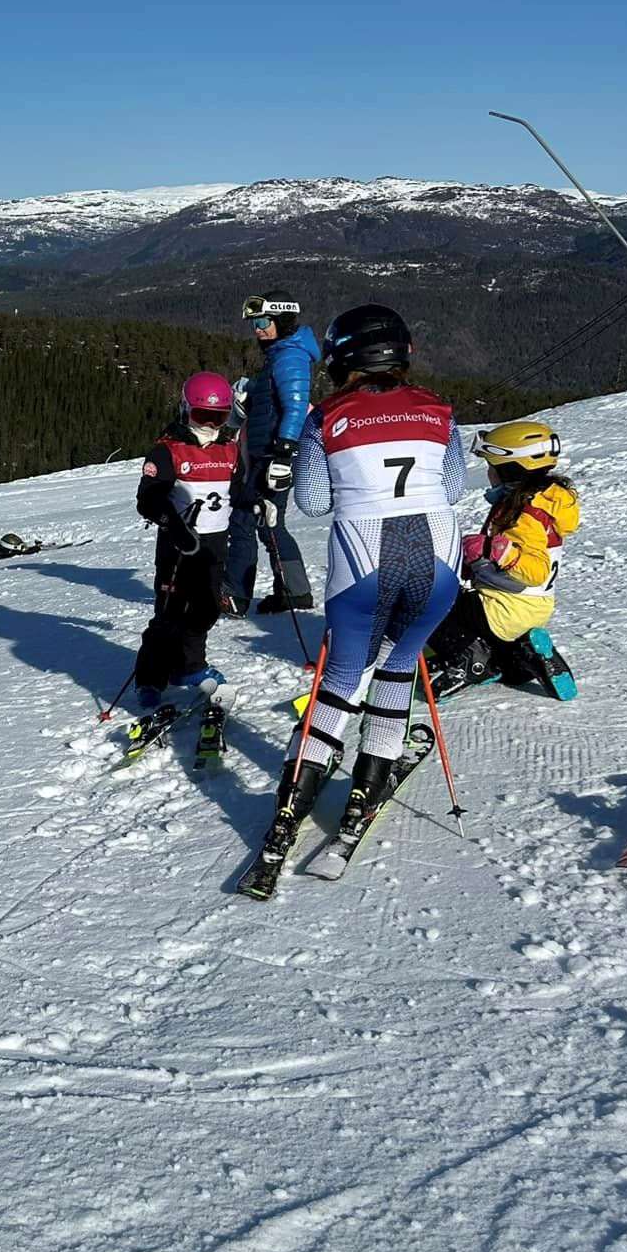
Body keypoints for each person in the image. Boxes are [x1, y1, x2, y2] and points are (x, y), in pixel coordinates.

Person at [249, 304, 468, 886]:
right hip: (439, 563)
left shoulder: (326, 418)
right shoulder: (439, 410)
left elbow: (314, 502)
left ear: (340, 359)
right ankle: (369, 786)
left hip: (363, 563)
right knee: (398, 670)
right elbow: (452, 487)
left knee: (341, 682)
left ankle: (290, 808)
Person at [423, 420, 580, 699]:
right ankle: (525, 658)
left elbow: (535, 571)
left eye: (491, 466)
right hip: (531, 608)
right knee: (506, 669)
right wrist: (477, 564)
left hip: (503, 608)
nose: (488, 473)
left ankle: (471, 662)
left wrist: (494, 550)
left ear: (510, 469)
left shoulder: (525, 514)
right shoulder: (541, 503)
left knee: (430, 600)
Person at [130, 372, 242, 713]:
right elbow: (149, 499)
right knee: (169, 614)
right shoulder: (168, 450)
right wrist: (176, 528)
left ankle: (190, 666)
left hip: (214, 544)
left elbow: (237, 490)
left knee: (207, 608)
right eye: (202, 415)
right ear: (185, 410)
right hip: (178, 547)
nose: (209, 425)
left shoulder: (229, 448)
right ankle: (150, 677)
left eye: (218, 417)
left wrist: (257, 504)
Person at [224, 292, 322, 615]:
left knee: (246, 518)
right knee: (268, 523)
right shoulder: (281, 354)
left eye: (264, 321)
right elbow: (274, 396)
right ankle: (294, 591)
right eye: (254, 323)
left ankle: (235, 594)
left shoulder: (290, 356)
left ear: (283, 320)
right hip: (267, 452)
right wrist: (250, 390)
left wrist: (283, 453)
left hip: (273, 454)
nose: (258, 329)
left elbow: (295, 405)